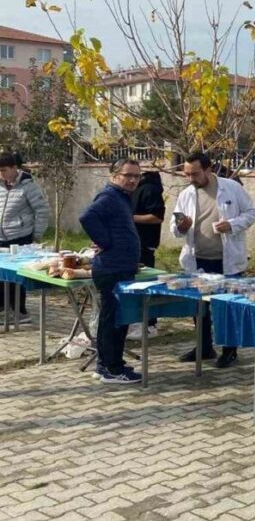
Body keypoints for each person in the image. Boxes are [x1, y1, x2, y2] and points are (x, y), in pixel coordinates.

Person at [171, 152, 255, 368]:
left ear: (209, 169)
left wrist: (232, 224)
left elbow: (251, 212)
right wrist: (181, 227)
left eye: (195, 173)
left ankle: (230, 351)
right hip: (198, 260)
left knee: (226, 307)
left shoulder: (231, 187)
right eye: (187, 174)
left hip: (226, 260)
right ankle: (204, 347)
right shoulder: (186, 194)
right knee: (198, 307)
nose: (191, 178)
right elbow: (175, 227)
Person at [79, 159, 143, 385]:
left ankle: (106, 363)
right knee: (114, 319)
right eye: (128, 175)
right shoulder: (109, 197)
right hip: (112, 268)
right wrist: (105, 241)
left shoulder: (121, 197)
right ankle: (112, 369)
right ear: (115, 175)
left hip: (120, 266)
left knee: (115, 318)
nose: (133, 180)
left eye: (136, 176)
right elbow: (87, 217)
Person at [0, 152, 50, 325]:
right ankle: (3, 310)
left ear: (15, 168)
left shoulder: (28, 186)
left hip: (20, 237)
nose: (1, 174)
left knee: (17, 277)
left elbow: (42, 211)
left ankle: (21, 312)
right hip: (1, 238)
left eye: (4, 170)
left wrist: (36, 235)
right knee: (2, 276)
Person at [129, 169, 165, 338]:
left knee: (147, 284)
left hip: (145, 244)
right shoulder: (133, 189)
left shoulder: (150, 189)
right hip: (133, 244)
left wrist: (131, 218)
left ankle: (151, 324)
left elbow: (157, 217)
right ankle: (136, 321)